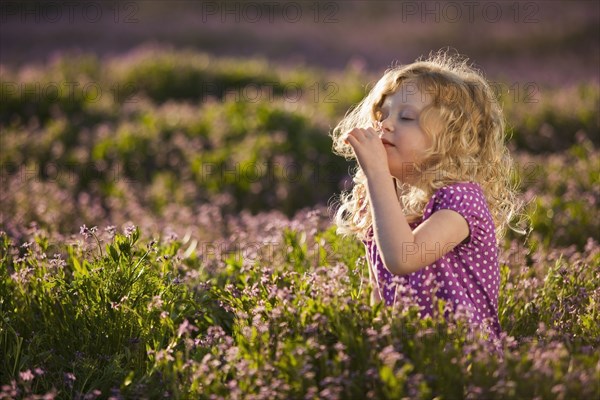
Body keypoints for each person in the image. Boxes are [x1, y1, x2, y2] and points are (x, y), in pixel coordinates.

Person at [330, 51, 524, 341]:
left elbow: (402, 258)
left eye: (406, 117)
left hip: (458, 361)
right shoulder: (385, 198)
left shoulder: (462, 202)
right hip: (404, 353)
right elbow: (379, 289)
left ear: (450, 142)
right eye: (381, 115)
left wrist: (378, 176)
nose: (385, 125)